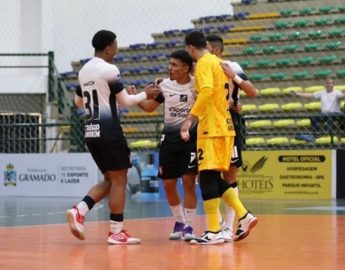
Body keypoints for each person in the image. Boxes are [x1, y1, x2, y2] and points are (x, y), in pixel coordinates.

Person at [65, 30, 160, 245]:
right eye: (115, 45)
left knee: (110, 180)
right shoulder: (109, 69)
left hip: (91, 132)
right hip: (110, 132)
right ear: (108, 47)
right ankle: (116, 231)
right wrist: (146, 94)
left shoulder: (84, 71)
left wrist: (107, 96)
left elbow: (78, 103)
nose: (116, 49)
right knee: (120, 180)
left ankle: (80, 210)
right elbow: (126, 102)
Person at [181, 31, 257, 245]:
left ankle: (214, 230)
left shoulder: (204, 63)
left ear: (191, 48)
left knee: (206, 177)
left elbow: (205, 92)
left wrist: (190, 118)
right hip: (226, 126)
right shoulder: (221, 63)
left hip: (211, 128)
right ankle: (244, 215)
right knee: (214, 178)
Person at [133, 50, 198, 241]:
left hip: (190, 138)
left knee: (188, 182)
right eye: (169, 64)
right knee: (169, 184)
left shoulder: (197, 85)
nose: (170, 68)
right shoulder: (165, 86)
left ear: (186, 68)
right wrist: (135, 97)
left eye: (174, 65)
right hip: (169, 139)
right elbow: (149, 107)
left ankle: (190, 227)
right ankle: (179, 220)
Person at [206, 34, 258, 241]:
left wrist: (233, 77)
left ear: (217, 50)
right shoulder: (202, 67)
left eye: (206, 47)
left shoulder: (231, 66)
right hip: (208, 122)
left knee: (229, 174)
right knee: (207, 173)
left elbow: (252, 91)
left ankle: (230, 226)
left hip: (229, 122)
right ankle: (218, 223)